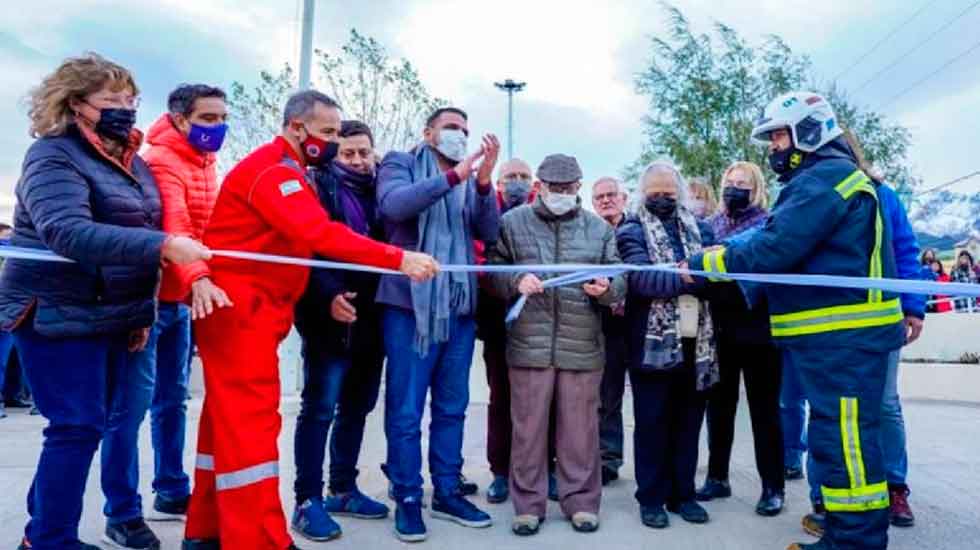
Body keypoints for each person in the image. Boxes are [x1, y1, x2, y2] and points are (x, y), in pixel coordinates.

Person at [183, 90, 437, 550]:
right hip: (243, 312)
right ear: (297, 128)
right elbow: (317, 233)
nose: (336, 143)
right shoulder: (275, 173)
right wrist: (398, 258)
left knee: (223, 425)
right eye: (329, 133)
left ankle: (207, 530)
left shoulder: (290, 170)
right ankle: (259, 540)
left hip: (251, 310)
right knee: (252, 429)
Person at [1, 53, 211, 550]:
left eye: (130, 99)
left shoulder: (130, 160)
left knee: (86, 427)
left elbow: (137, 230)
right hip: (53, 309)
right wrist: (164, 246)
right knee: (76, 425)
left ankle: (43, 530)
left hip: (112, 312)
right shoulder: (53, 155)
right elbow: (66, 231)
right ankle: (50, 539)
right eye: (111, 99)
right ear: (76, 104)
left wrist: (138, 314)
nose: (126, 108)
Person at [688, 91, 906, 550]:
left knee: (845, 440)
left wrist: (710, 261)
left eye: (779, 136)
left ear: (810, 131)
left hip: (842, 338)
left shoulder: (822, 180)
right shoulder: (830, 177)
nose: (774, 148)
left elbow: (776, 246)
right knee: (839, 437)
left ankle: (855, 541)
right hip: (840, 340)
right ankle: (848, 531)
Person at [101, 84, 228, 533]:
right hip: (152, 299)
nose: (218, 128)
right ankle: (121, 511)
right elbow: (177, 223)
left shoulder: (206, 163)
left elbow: (210, 228)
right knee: (129, 408)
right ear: (178, 119)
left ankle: (171, 489)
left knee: (172, 400)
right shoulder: (162, 159)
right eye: (207, 119)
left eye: (220, 119)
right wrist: (201, 279)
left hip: (182, 300)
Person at [375, 106, 500, 542]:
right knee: (406, 410)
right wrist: (455, 176)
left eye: (465, 130)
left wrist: (483, 182)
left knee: (452, 406)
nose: (459, 135)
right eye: (451, 128)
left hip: (459, 308)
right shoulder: (400, 163)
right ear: (428, 132)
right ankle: (408, 496)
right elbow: (394, 206)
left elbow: (489, 230)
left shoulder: (470, 178)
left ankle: (447, 489)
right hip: (410, 308)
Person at [793, 129, 927, 536]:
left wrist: (914, 308)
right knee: (826, 411)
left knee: (884, 405)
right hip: (828, 325)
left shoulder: (881, 195)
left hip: (879, 323)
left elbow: (905, 250)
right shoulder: (811, 196)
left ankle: (894, 487)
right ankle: (825, 495)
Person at [490, 154, 625, 536]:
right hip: (529, 344)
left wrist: (606, 290)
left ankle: (581, 503)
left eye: (568, 189)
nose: (561, 194)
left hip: (581, 346)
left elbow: (617, 278)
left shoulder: (598, 230)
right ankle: (528, 506)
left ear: (579, 188)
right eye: (554, 188)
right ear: (540, 187)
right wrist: (516, 281)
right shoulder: (512, 224)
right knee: (528, 429)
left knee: (580, 431)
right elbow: (494, 270)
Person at [290, 120, 392, 542]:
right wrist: (326, 296)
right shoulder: (316, 186)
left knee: (358, 407)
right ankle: (306, 500)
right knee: (319, 408)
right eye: (348, 153)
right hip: (327, 316)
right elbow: (301, 246)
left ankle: (343, 488)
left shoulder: (384, 192)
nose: (357, 160)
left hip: (373, 317)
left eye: (363, 152)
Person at [617, 161, 717, 531]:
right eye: (655, 193)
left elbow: (716, 279)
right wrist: (693, 275)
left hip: (698, 345)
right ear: (644, 194)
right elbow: (644, 282)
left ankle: (683, 494)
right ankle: (652, 498)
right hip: (652, 345)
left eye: (669, 193)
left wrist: (685, 274)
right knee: (652, 424)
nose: (662, 198)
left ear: (681, 194)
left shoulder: (702, 228)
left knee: (689, 424)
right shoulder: (631, 230)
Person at [696, 161, 785, 516]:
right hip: (720, 328)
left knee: (765, 411)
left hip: (759, 328)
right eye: (730, 182)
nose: (735, 188)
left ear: (756, 188)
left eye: (743, 183)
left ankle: (773, 486)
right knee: (719, 408)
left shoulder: (769, 225)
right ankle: (717, 477)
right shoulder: (711, 225)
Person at [478, 157, 558, 505]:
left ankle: (547, 469)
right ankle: (500, 471)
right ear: (498, 183)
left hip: (541, 320)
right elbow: (484, 266)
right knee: (502, 399)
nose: (518, 182)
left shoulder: (544, 216)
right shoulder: (487, 215)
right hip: (499, 319)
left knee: (547, 399)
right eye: (511, 176)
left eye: (524, 176)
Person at [591, 176, 631, 485]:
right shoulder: (591, 235)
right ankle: (607, 458)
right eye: (600, 197)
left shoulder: (638, 231)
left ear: (624, 198)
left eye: (611, 195)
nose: (606, 200)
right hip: (605, 323)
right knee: (607, 396)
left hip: (641, 323)